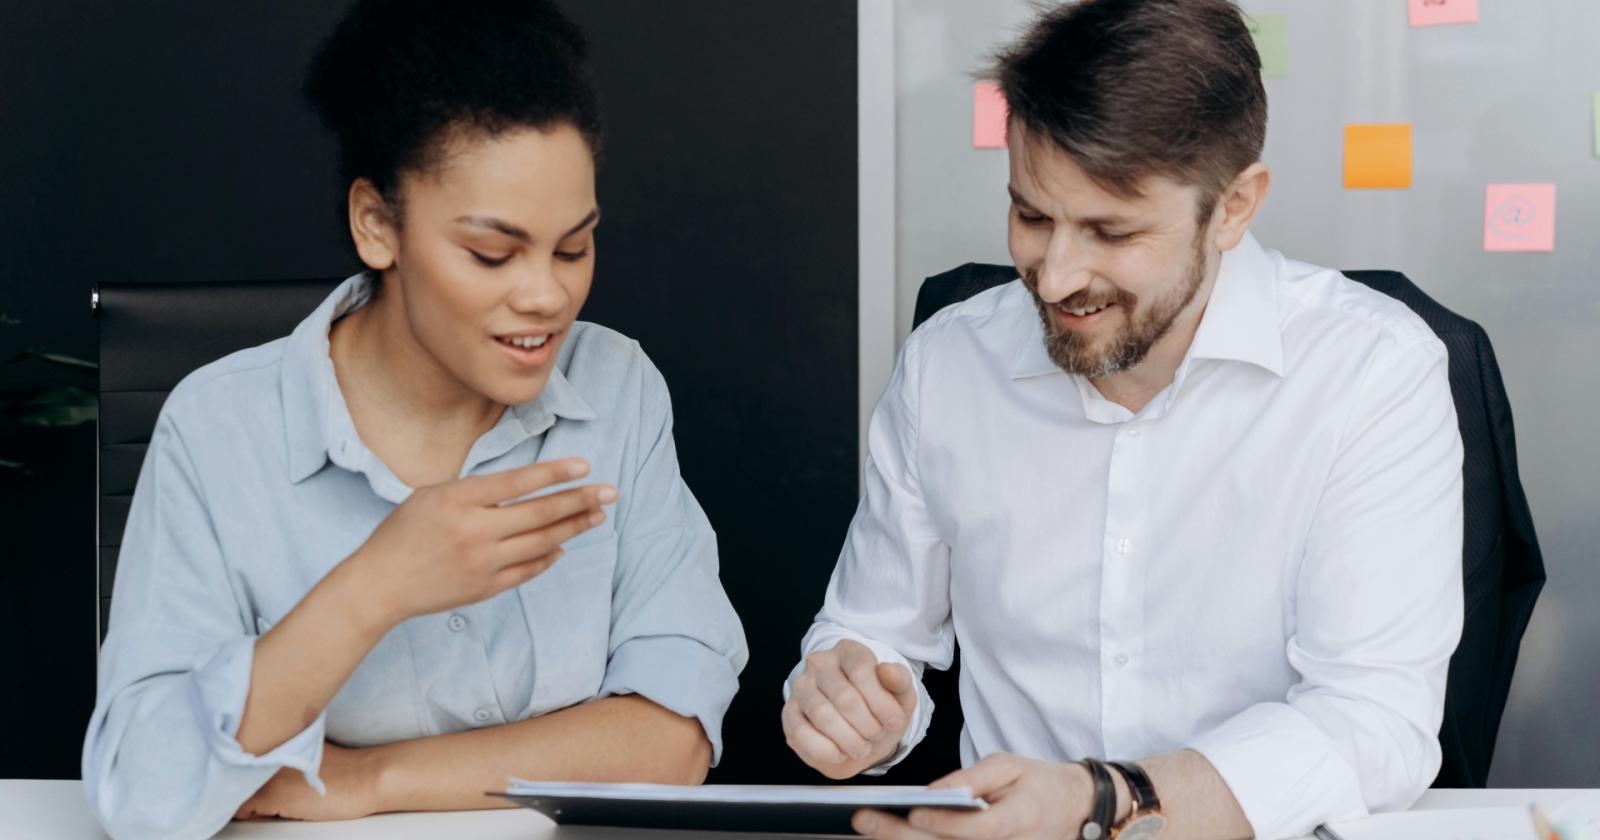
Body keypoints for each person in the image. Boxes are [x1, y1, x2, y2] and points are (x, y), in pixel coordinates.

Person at [782, 1, 1463, 838]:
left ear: (1234, 206)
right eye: (1032, 217)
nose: (1056, 276)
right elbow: (872, 632)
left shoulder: (1371, 371)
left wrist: (1103, 799)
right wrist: (855, 700)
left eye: (1111, 231)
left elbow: (1373, 723)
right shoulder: (948, 363)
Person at [82, 2, 746, 836]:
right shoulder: (217, 429)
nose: (547, 295)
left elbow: (672, 739)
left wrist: (372, 778)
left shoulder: (617, 388)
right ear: (377, 226)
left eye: (574, 247)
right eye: (492, 254)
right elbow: (144, 795)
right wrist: (376, 586)